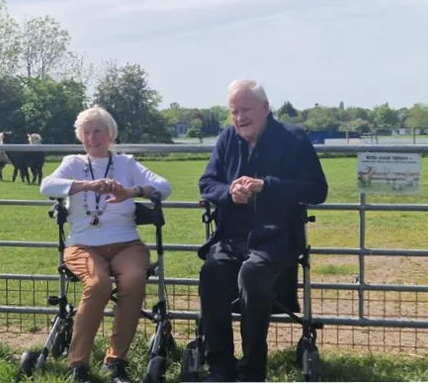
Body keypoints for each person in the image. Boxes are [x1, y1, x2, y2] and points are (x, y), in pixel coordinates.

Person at [197, 80, 328, 383]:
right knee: (212, 271)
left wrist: (266, 186)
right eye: (234, 111)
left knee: (252, 273)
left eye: (246, 110)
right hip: (232, 237)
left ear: (266, 108)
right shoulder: (227, 139)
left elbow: (317, 189)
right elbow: (207, 183)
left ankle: (252, 371)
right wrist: (229, 192)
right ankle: (220, 367)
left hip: (277, 236)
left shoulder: (292, 138)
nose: (239, 117)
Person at [40, 106, 172, 383]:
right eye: (86, 132)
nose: (92, 137)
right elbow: (47, 186)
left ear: (111, 134)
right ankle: (78, 364)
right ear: (80, 137)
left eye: (98, 130)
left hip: (126, 242)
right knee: (98, 284)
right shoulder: (73, 163)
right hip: (83, 245)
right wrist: (84, 186)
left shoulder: (126, 163)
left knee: (134, 279)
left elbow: (164, 186)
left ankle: (116, 362)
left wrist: (131, 192)